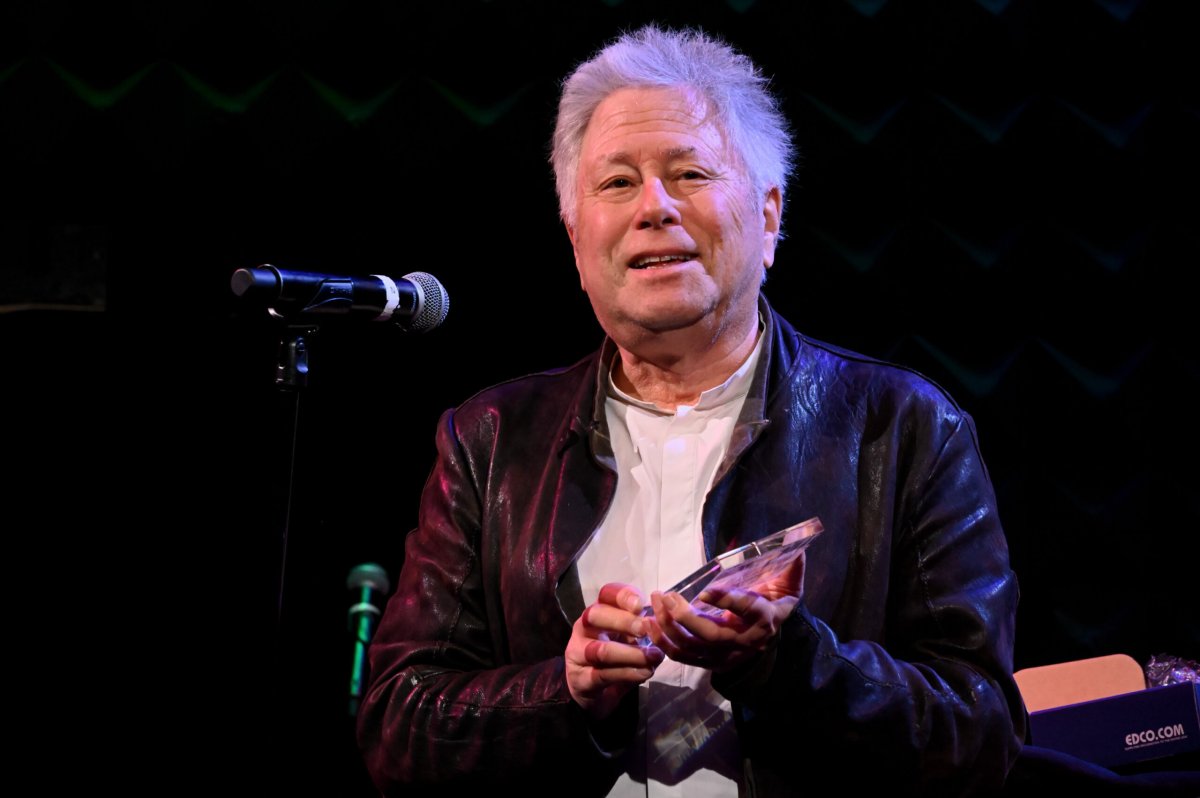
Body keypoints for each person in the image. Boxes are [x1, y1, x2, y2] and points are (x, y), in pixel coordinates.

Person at [357, 25, 1025, 797]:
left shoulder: (901, 429)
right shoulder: (490, 442)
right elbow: (399, 730)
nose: (654, 207)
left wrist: (789, 663)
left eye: (690, 172)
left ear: (770, 217)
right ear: (576, 242)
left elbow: (982, 735)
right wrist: (565, 691)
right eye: (615, 184)